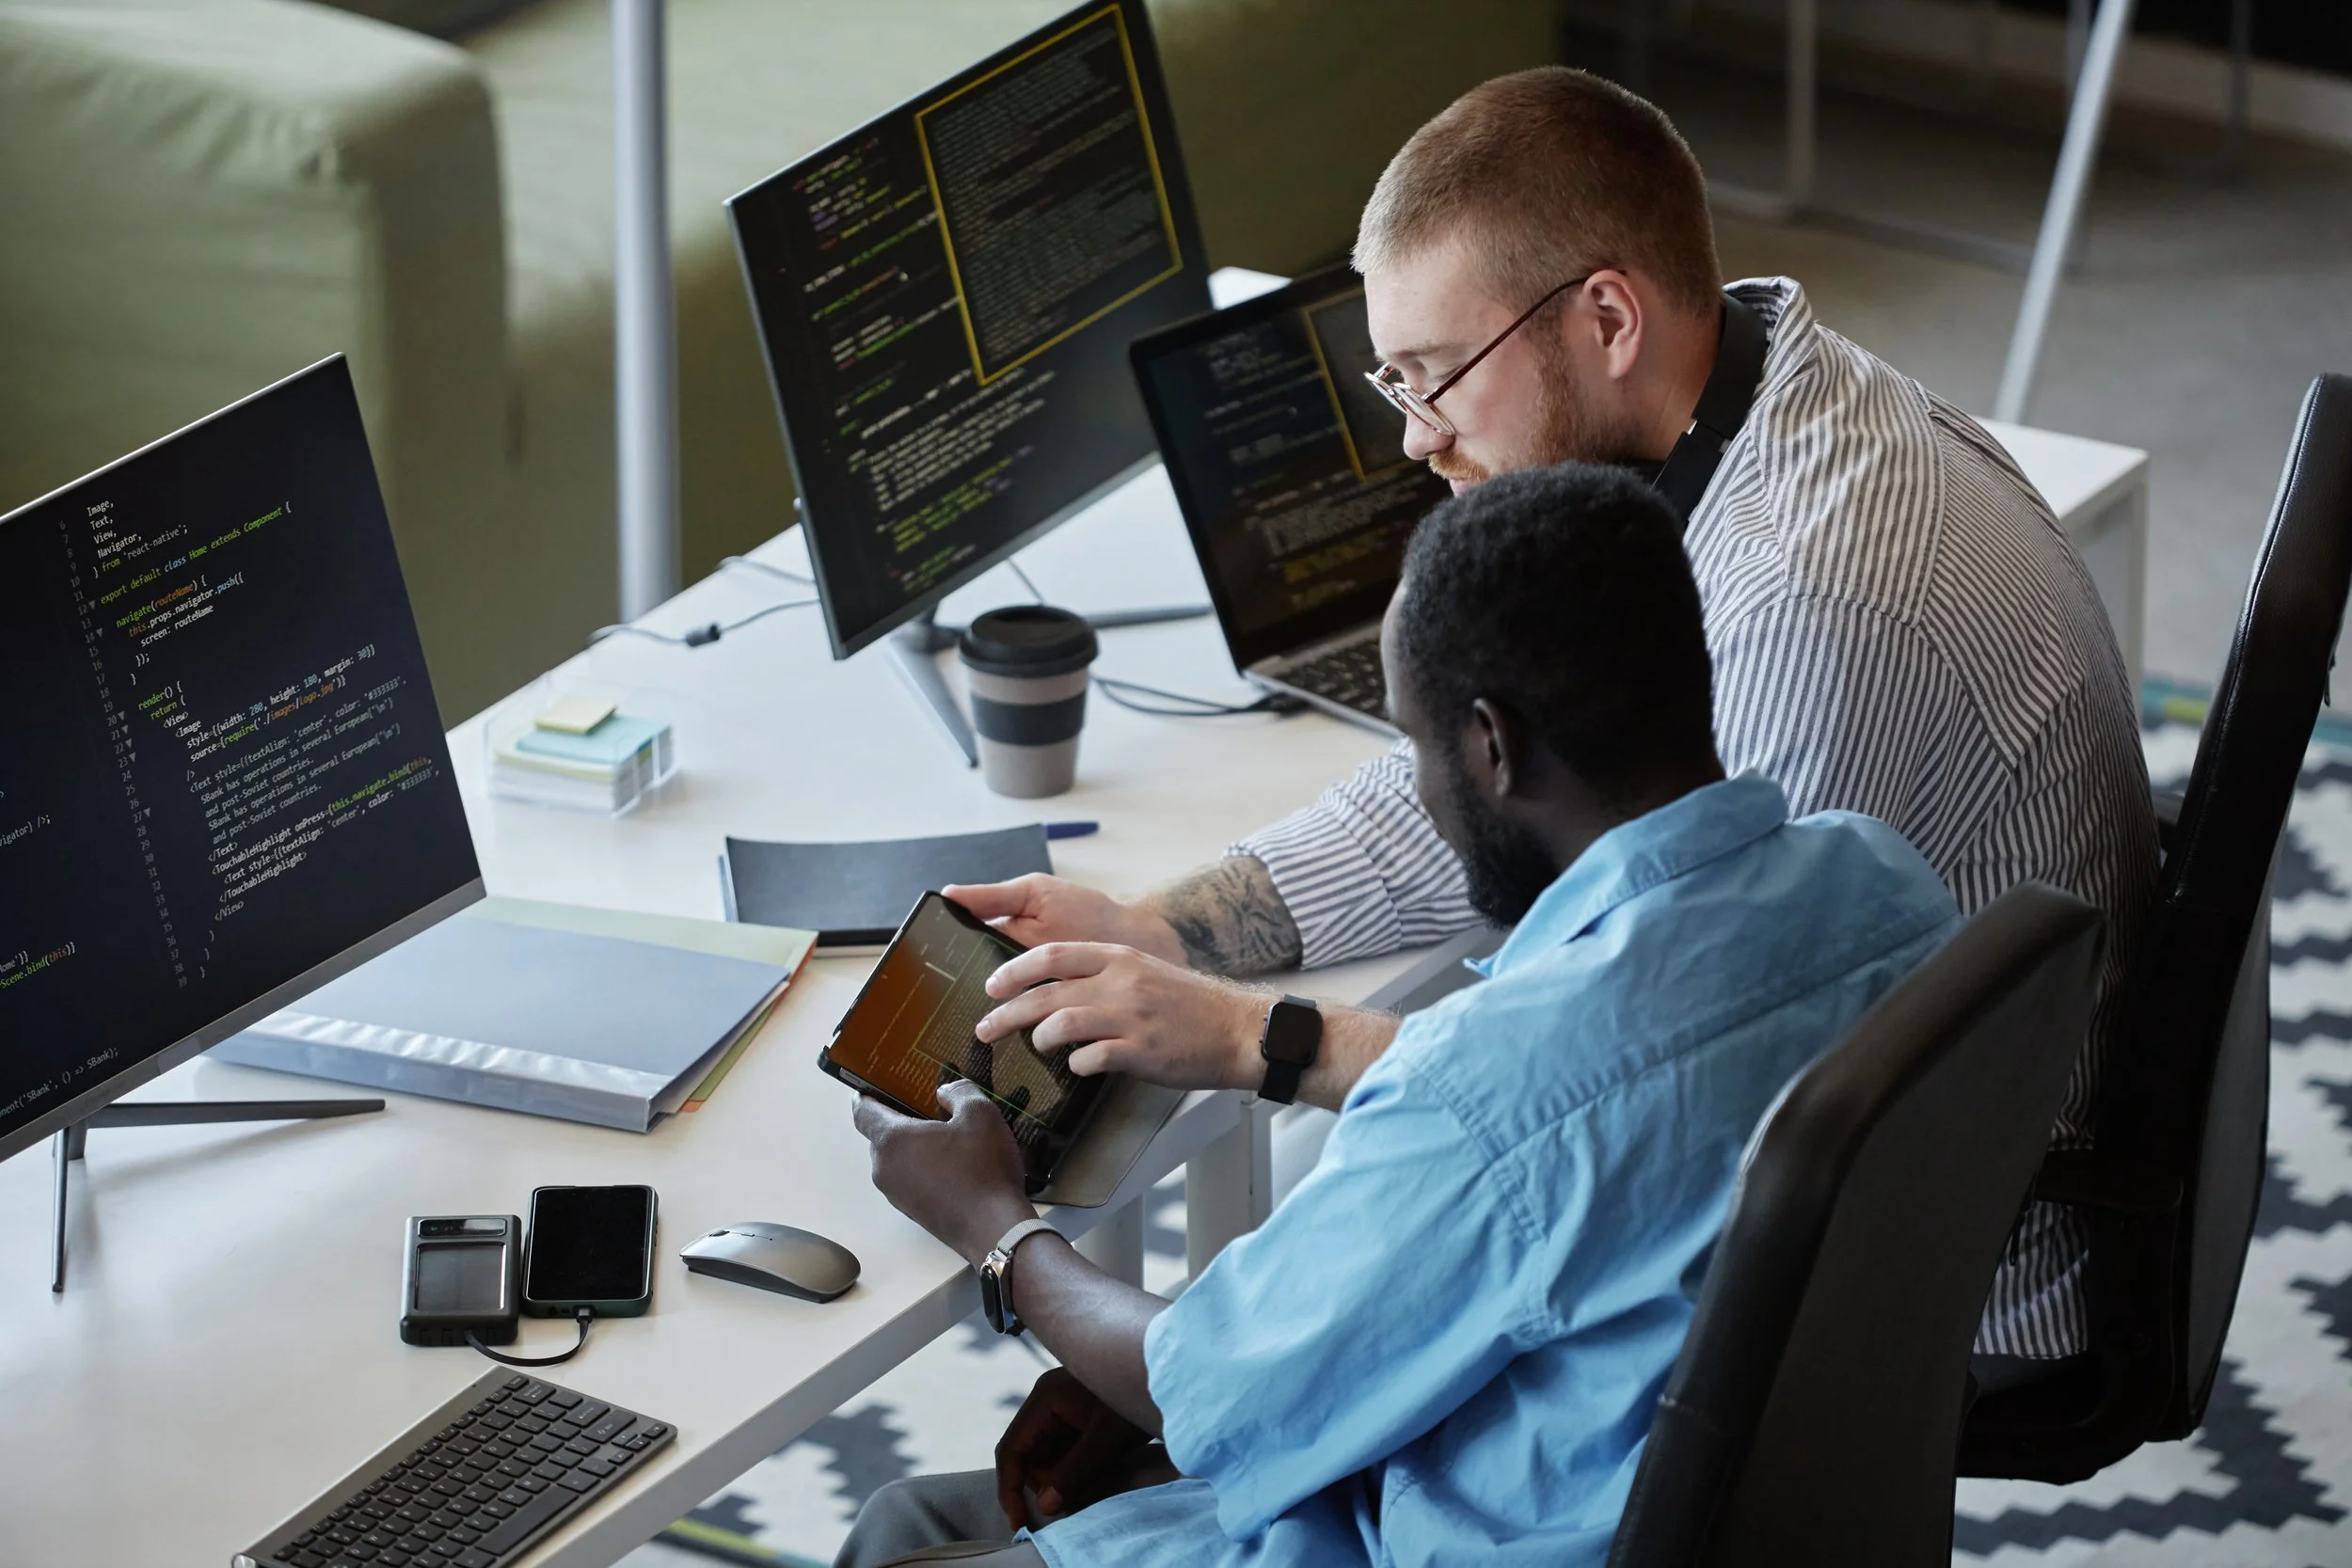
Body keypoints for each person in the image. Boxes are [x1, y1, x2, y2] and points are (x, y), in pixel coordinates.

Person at [946, 65, 2153, 1368]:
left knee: (1306, 1333)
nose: (1417, 440)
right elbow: (1483, 794)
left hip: (1926, 1269)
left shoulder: (1807, 598)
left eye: (1436, 375)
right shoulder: (1760, 401)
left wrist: (1249, 1036)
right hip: (1864, 1141)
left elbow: (1621, 1066)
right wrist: (1161, 924)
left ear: (1609, 319)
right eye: (1391, 382)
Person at [840, 465, 1962, 1568]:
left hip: (1479, 1525)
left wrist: (996, 1226)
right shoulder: (1890, 886)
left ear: (1491, 742)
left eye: (1415, 743)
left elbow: (1211, 1387)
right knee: (913, 1517)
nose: (1420, 786)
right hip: (1744, 1507)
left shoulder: (1489, 1092)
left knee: (907, 1528)